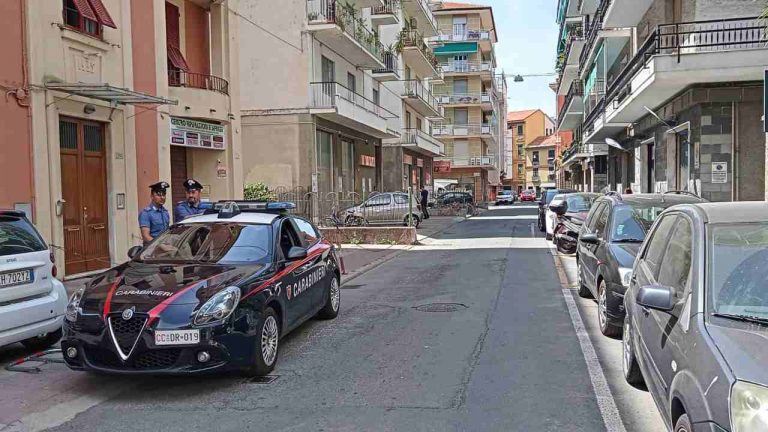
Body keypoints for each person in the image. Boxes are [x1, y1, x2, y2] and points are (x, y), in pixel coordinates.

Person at [139, 181, 170, 246]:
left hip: (165, 244)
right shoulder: (146, 213)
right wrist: (160, 245)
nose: (162, 197)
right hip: (151, 248)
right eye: (159, 195)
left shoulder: (165, 212)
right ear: (152, 196)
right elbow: (146, 236)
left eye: (164, 194)